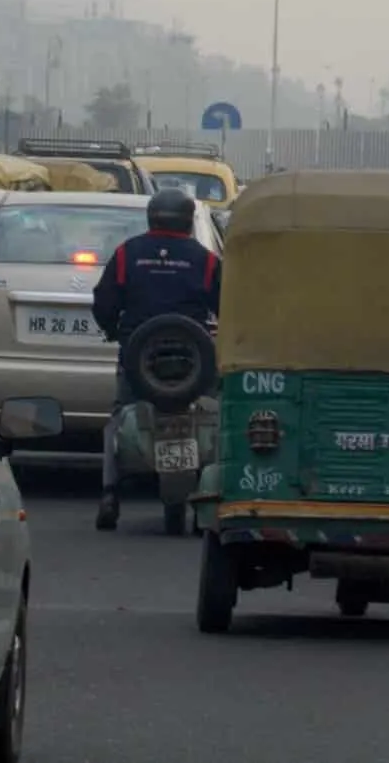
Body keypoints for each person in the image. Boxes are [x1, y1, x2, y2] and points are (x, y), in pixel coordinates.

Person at [90, 189, 222, 531]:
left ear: (151, 217)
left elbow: (103, 302)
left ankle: (109, 494)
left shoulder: (126, 255)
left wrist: (112, 330)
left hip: (139, 360)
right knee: (215, 415)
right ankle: (213, 492)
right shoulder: (205, 260)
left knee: (118, 418)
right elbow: (229, 307)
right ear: (188, 221)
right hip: (193, 363)